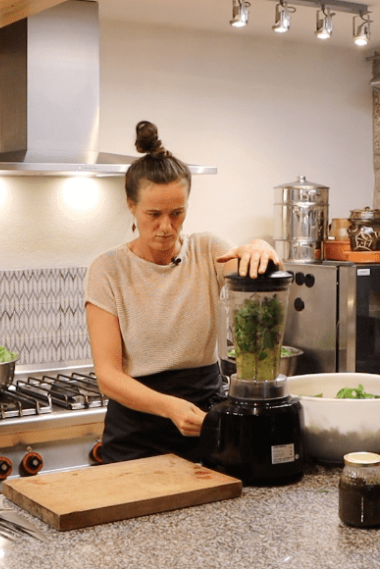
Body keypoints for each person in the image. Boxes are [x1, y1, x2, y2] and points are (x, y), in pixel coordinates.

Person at [85, 120, 279, 464]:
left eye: (177, 213)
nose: (166, 227)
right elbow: (109, 377)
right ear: (131, 204)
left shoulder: (208, 251)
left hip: (204, 426)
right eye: (153, 214)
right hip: (134, 439)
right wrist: (168, 407)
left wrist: (260, 246)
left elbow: (255, 271)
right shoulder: (107, 269)